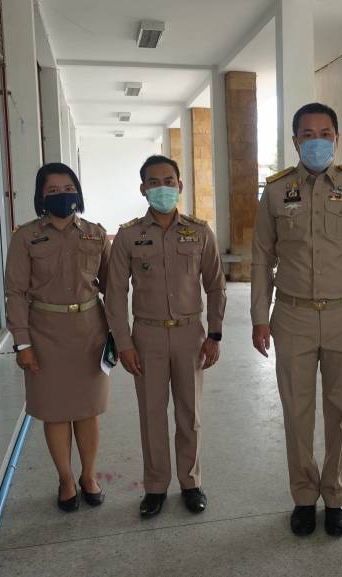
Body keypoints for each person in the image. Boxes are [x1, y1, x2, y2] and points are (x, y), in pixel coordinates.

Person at [250, 102, 342, 537]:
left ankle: (336, 496)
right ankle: (304, 497)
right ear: (295, 142)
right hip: (293, 316)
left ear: (336, 139)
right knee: (297, 412)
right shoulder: (275, 192)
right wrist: (259, 317)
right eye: (307, 135)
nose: (316, 141)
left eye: (325, 134)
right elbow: (261, 257)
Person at [106, 155, 226, 518]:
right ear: (143, 189)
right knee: (152, 415)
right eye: (154, 182)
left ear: (180, 185)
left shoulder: (200, 232)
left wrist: (215, 334)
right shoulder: (129, 235)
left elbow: (216, 286)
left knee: (190, 415)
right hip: (148, 337)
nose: (163, 188)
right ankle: (156, 487)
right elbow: (115, 294)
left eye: (169, 181)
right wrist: (124, 343)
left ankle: (191, 483)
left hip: (191, 335)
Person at [4, 162, 111, 512]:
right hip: (44, 334)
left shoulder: (96, 234)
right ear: (41, 196)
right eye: (52, 190)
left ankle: (88, 476)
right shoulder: (25, 237)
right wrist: (22, 343)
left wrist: (118, 335)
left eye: (68, 189)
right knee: (56, 412)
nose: (62, 195)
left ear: (78, 192)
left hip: (90, 332)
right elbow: (15, 292)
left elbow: (111, 286)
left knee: (88, 411)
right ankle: (65, 479)